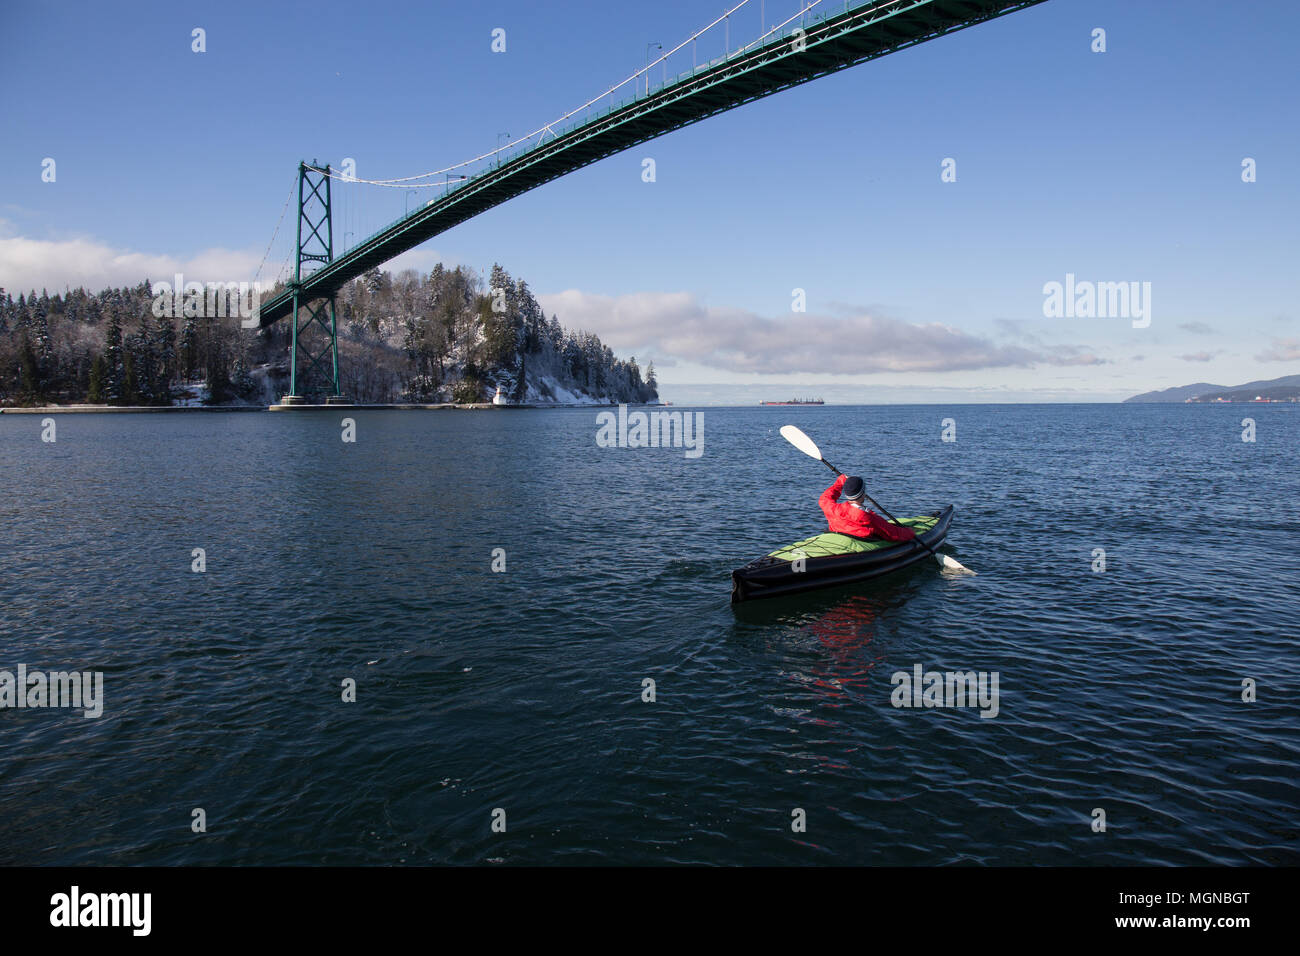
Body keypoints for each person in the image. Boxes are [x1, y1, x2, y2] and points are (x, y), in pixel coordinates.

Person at [819, 474, 916, 542]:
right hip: (862, 540)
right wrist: (911, 532)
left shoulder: (831, 508)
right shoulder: (868, 517)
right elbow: (893, 534)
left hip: (840, 533)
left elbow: (825, 497)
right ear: (863, 494)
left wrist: (841, 481)